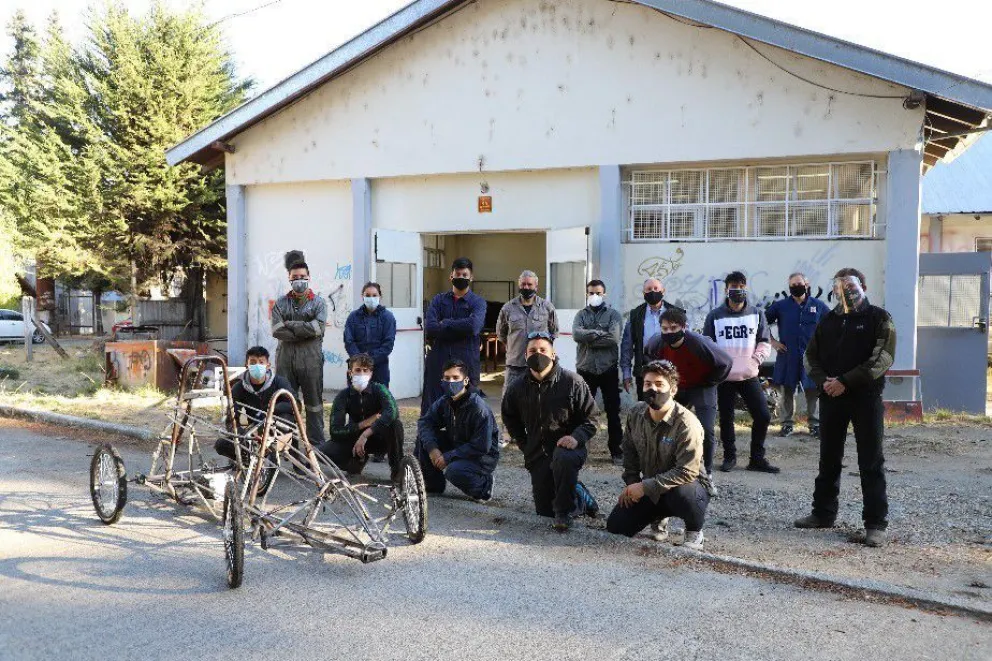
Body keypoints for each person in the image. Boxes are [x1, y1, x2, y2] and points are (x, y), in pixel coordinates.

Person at [795, 268, 895, 548]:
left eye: (850, 285)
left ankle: (875, 524)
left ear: (863, 286)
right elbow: (809, 356)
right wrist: (823, 382)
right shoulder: (828, 320)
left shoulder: (879, 318)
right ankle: (823, 513)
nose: (845, 291)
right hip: (831, 398)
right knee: (828, 459)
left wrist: (845, 382)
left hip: (866, 399)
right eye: (839, 287)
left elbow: (882, 359)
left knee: (871, 461)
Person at [605, 360, 709, 551]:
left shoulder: (687, 423)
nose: (652, 388)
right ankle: (658, 517)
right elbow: (629, 452)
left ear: (673, 390)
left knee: (684, 493)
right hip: (652, 487)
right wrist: (632, 485)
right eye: (647, 384)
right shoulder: (636, 413)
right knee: (615, 528)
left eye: (659, 384)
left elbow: (687, 471)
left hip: (686, 488)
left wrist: (643, 486)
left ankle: (695, 533)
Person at [501, 332, 600, 532]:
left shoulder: (573, 382)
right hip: (537, 452)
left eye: (543, 350)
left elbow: (592, 419)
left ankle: (564, 514)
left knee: (563, 465)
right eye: (532, 351)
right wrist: (524, 443)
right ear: (526, 356)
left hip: (569, 450)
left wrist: (575, 438)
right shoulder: (517, 387)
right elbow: (509, 416)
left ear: (553, 354)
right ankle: (579, 493)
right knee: (544, 511)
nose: (538, 354)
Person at [644, 308, 732, 496]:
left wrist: (711, 381)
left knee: (706, 429)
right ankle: (666, 469)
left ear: (684, 327)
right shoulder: (656, 343)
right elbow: (649, 356)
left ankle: (706, 474)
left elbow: (725, 362)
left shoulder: (698, 343)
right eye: (665, 328)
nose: (669, 332)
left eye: (673, 328)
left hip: (702, 386)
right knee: (665, 425)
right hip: (676, 386)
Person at [703, 271, 780, 474]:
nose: (737, 291)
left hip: (749, 374)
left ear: (746, 289)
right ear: (727, 290)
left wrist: (754, 362)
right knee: (726, 418)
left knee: (763, 415)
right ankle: (730, 457)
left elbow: (764, 342)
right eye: (733, 287)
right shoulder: (715, 315)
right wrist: (718, 366)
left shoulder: (757, 314)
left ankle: (757, 458)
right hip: (724, 377)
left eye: (741, 287)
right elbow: (708, 345)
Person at [417, 359, 501, 501]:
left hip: (482, 456)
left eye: (456, 378)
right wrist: (433, 449)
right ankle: (434, 486)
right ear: (442, 380)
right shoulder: (444, 401)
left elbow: (482, 446)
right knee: (425, 440)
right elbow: (425, 422)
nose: (451, 382)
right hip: (458, 443)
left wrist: (448, 457)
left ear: (465, 381)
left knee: (454, 471)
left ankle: (484, 487)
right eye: (447, 378)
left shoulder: (479, 408)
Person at [271, 250, 328, 446]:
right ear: (289, 278)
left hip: (311, 360)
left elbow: (318, 328)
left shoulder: (319, 303)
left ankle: (317, 445)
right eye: (295, 277)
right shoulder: (280, 303)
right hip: (285, 360)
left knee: (314, 404)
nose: (299, 280)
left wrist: (291, 325)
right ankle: (288, 445)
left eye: (303, 277)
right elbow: (277, 330)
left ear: (309, 278)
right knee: (287, 403)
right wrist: (305, 328)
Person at [765, 273, 830, 438]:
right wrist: (772, 342)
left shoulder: (819, 306)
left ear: (807, 284)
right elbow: (762, 323)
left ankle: (815, 424)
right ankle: (787, 424)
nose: (795, 287)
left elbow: (831, 326)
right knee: (787, 391)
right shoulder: (780, 306)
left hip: (811, 358)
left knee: (813, 391)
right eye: (792, 285)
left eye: (799, 284)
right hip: (788, 356)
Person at [319, 353, 403, 481]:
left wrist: (366, 433)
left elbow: (392, 412)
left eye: (365, 370)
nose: (362, 374)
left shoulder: (379, 389)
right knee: (322, 452)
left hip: (381, 439)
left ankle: (397, 470)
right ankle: (356, 461)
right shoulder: (343, 396)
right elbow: (335, 430)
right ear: (350, 372)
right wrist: (362, 425)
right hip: (356, 438)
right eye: (357, 370)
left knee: (396, 425)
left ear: (370, 373)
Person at [422, 257, 487, 415]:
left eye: (465, 275)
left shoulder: (478, 302)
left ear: (471, 278)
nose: (461, 278)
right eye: (458, 274)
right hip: (439, 357)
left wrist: (445, 323)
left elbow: (473, 326)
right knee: (432, 402)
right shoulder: (438, 300)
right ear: (451, 276)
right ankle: (427, 438)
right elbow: (430, 328)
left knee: (468, 403)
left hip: (466, 359)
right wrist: (459, 326)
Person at [344, 281, 397, 464]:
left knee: (380, 407)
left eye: (374, 295)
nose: (371, 298)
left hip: (379, 369)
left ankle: (380, 447)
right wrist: (359, 361)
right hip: (356, 369)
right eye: (368, 294)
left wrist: (369, 361)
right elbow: (348, 341)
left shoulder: (388, 318)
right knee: (355, 406)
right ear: (362, 296)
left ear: (380, 297)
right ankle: (353, 443)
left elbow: (388, 344)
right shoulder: (353, 318)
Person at [572, 279, 624, 465]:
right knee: (582, 411)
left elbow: (614, 338)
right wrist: (600, 334)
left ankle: (616, 450)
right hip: (585, 369)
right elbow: (576, 334)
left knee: (613, 412)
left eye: (598, 293)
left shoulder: (613, 315)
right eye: (591, 293)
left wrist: (589, 336)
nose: (595, 296)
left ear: (604, 294)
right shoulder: (580, 315)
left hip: (608, 369)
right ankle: (578, 448)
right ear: (587, 294)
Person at [214, 345, 295, 464]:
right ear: (246, 365)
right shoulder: (239, 388)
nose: (257, 366)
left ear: (268, 365)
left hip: (276, 428)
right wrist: (240, 435)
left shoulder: (279, 382)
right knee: (221, 444)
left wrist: (271, 411)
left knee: (286, 418)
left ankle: (286, 457)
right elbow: (231, 417)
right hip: (254, 431)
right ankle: (246, 460)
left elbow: (295, 405)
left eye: (261, 362)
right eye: (253, 362)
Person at [496, 270, 558, 395]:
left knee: (541, 400)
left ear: (536, 286)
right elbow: (501, 333)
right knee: (509, 399)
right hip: (515, 365)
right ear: (519, 285)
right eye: (523, 284)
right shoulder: (508, 308)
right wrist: (513, 346)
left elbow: (554, 332)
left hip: (539, 364)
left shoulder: (547, 307)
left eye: (529, 285)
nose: (526, 287)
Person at [621, 278, 685, 398]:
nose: (653, 292)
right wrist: (626, 373)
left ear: (663, 291)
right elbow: (627, 345)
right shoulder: (635, 314)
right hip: (644, 371)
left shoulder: (676, 313)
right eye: (649, 289)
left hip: (670, 370)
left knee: (669, 409)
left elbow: (686, 343)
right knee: (646, 408)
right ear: (644, 293)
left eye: (656, 288)